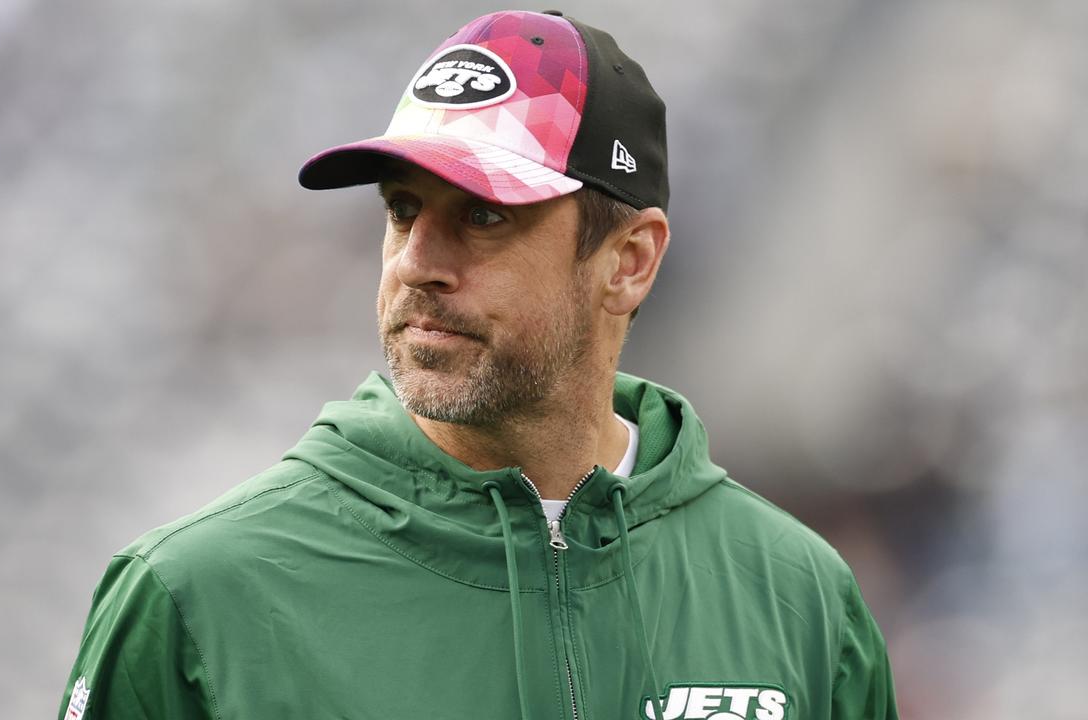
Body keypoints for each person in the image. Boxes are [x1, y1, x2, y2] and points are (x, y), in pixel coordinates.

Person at [58, 10, 897, 720]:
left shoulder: (802, 600)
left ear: (629, 261)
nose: (416, 261)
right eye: (402, 209)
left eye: (486, 215)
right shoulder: (197, 597)